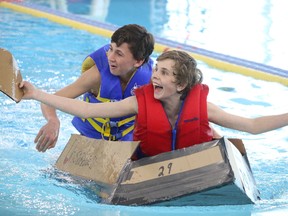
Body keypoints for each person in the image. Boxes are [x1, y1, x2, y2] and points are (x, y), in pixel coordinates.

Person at [20, 50, 288, 158]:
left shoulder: (202, 108)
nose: (154, 77)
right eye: (155, 69)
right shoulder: (140, 102)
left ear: (181, 85)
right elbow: (88, 110)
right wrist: (37, 94)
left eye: (163, 73)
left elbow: (252, 126)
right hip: (146, 165)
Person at [34, 24, 155, 152]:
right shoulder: (97, 76)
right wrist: (53, 122)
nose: (110, 57)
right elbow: (48, 101)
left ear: (138, 61)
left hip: (125, 143)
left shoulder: (150, 80)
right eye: (110, 49)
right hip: (89, 139)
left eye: (119, 54)